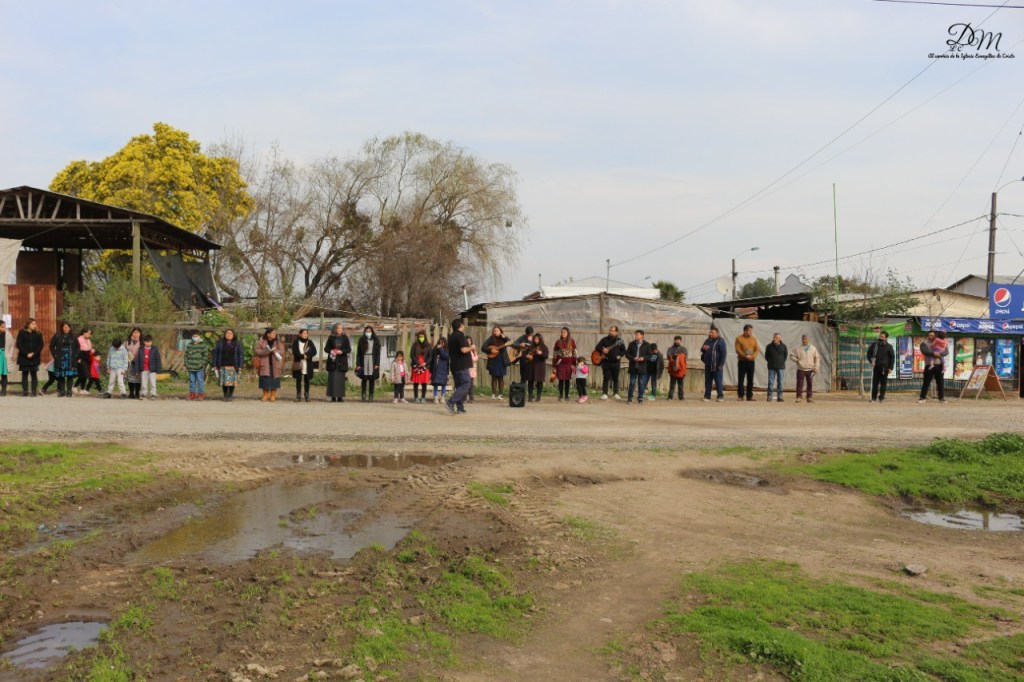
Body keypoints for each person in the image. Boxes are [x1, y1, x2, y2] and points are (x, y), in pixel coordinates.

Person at [445, 319, 474, 414]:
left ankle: (460, 407)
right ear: (461, 325)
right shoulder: (460, 335)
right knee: (466, 384)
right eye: (463, 325)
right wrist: (472, 348)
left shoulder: (451, 336)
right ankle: (450, 402)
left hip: (454, 365)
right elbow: (463, 350)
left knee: (459, 386)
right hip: (462, 365)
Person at [254, 327, 286, 402]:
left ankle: (273, 395)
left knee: (274, 380)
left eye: (275, 333)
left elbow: (282, 351)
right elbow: (257, 350)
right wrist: (264, 351)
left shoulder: (278, 342)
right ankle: (265, 394)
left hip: (275, 364)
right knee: (265, 380)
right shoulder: (262, 341)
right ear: (268, 334)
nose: (274, 334)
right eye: (273, 333)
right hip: (265, 364)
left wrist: (276, 351)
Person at [595, 325, 626, 400]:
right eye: (610, 330)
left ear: (616, 332)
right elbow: (597, 347)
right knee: (606, 378)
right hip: (606, 362)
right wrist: (603, 349)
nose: (611, 332)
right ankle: (605, 393)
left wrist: (620, 355)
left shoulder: (620, 341)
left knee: (615, 378)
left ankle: (616, 393)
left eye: (612, 331)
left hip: (616, 362)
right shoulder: (604, 339)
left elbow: (624, 350)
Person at [213, 328, 244, 402]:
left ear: (233, 335)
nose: (229, 335)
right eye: (227, 333)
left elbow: (240, 355)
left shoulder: (237, 343)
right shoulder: (220, 343)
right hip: (223, 366)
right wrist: (215, 365)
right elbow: (216, 354)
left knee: (231, 382)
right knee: (224, 382)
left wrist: (240, 366)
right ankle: (225, 395)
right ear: (225, 334)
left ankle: (230, 395)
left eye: (230, 333)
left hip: (233, 366)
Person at [16, 318, 44, 397]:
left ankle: (33, 391)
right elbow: (19, 344)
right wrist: (26, 353)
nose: (34, 325)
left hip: (34, 357)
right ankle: (25, 391)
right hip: (24, 357)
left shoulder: (38, 333)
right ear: (28, 325)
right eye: (32, 324)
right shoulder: (22, 332)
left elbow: (41, 345)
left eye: (35, 324)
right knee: (25, 374)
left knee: (34, 374)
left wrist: (34, 353)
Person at [918, 330, 948, 404]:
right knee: (926, 382)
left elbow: (946, 352)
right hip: (929, 365)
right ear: (927, 335)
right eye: (929, 335)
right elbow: (925, 352)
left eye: (932, 335)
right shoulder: (924, 343)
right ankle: (922, 397)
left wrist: (939, 354)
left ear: (935, 336)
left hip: (939, 365)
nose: (931, 337)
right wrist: (934, 354)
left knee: (940, 382)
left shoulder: (941, 341)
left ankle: (941, 398)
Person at [480, 326, 510, 400]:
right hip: (493, 360)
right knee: (494, 377)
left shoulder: (504, 339)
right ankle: (493, 394)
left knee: (501, 377)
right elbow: (483, 347)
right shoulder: (491, 339)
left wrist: (505, 337)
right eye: (494, 331)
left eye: (497, 330)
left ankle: (500, 394)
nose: (495, 332)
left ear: (500, 331)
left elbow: (510, 342)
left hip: (502, 360)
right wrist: (491, 350)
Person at [324, 324, 351, 403]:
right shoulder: (331, 337)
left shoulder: (345, 338)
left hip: (341, 361)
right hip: (333, 361)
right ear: (335, 329)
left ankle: (340, 397)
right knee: (332, 379)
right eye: (338, 328)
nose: (339, 330)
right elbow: (326, 349)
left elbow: (349, 349)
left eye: (341, 328)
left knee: (340, 380)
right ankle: (333, 397)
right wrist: (332, 351)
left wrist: (342, 351)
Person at [49, 321, 77, 398]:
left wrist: (75, 355)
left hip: (70, 359)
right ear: (62, 328)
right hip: (60, 358)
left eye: (67, 327)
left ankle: (69, 391)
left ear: (70, 328)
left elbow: (78, 347)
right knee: (61, 375)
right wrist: (55, 355)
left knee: (70, 375)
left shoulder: (73, 336)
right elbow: (51, 346)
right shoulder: (57, 335)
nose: (66, 329)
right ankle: (62, 391)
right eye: (65, 327)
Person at [790, 334, 820, 403]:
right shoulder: (798, 348)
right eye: (803, 339)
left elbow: (817, 358)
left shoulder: (813, 348)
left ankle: (809, 397)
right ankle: (799, 397)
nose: (804, 341)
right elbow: (791, 355)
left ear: (808, 340)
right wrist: (797, 360)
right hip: (801, 369)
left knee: (810, 384)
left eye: (806, 339)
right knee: (799, 384)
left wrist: (816, 367)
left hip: (810, 369)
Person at [867, 330, 895, 403]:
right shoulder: (874, 345)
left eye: (882, 336)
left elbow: (892, 357)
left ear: (886, 338)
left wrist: (890, 367)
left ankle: (881, 397)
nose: (881, 337)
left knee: (883, 384)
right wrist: (871, 361)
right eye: (880, 336)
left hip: (884, 368)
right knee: (875, 383)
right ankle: (873, 397)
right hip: (876, 367)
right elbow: (869, 354)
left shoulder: (889, 346)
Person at [624, 329, 652, 404]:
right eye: (635, 334)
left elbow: (650, 355)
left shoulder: (647, 345)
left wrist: (643, 358)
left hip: (642, 367)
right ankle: (630, 398)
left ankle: (640, 398)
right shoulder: (632, 344)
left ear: (642, 335)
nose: (635, 336)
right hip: (633, 367)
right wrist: (633, 358)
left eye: (637, 334)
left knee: (641, 383)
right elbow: (627, 354)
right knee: (632, 383)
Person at [734, 324, 760, 401]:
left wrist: (753, 356)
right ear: (745, 331)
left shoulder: (754, 339)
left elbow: (757, 349)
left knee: (750, 379)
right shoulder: (739, 338)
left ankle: (749, 396)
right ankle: (740, 395)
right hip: (742, 361)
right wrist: (745, 356)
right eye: (750, 330)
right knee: (741, 379)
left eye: (752, 330)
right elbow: (738, 350)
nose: (751, 332)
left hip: (751, 361)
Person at [700, 327, 727, 402]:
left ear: (717, 333)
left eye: (712, 332)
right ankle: (707, 396)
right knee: (708, 381)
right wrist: (703, 348)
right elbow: (701, 349)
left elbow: (723, 353)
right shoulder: (708, 340)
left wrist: (721, 365)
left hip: (717, 366)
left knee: (718, 381)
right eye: (710, 332)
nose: (710, 334)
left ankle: (720, 396)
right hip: (708, 365)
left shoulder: (721, 341)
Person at [355, 326, 381, 402]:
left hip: (372, 360)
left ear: (372, 332)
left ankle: (371, 395)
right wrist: (358, 364)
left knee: (372, 379)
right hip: (364, 360)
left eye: (369, 331)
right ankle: (363, 395)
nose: (368, 333)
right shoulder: (361, 340)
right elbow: (358, 353)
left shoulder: (376, 340)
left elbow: (378, 353)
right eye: (367, 331)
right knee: (364, 378)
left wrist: (377, 363)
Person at [291, 328, 317, 403]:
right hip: (298, 362)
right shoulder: (296, 342)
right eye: (304, 333)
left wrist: (307, 356)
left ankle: (307, 395)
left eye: (306, 333)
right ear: (300, 334)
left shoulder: (310, 342)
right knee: (298, 379)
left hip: (307, 363)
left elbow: (314, 351)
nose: (305, 335)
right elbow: (294, 352)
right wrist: (302, 356)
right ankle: (298, 395)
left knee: (307, 379)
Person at [134, 334, 163, 400]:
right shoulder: (141, 349)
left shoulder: (155, 349)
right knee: (144, 383)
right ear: (144, 342)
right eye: (146, 341)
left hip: (152, 370)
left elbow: (158, 360)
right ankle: (143, 394)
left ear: (152, 342)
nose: (148, 343)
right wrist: (136, 370)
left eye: (149, 342)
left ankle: (153, 394)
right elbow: (137, 360)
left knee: (153, 382)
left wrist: (159, 369)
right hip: (144, 369)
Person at [552, 327, 577, 402]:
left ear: (568, 333)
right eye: (562, 332)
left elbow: (574, 353)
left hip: (569, 364)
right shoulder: (558, 342)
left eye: (564, 332)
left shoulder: (572, 341)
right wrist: (554, 365)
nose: (563, 333)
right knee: (561, 380)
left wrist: (574, 364)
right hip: (560, 364)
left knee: (567, 380)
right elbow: (555, 354)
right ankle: (561, 395)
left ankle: (566, 395)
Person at [184, 330, 210, 401]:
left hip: (199, 368)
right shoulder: (189, 345)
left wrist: (202, 363)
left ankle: (200, 395)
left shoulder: (203, 345)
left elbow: (205, 355)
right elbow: (186, 355)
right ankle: (192, 395)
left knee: (200, 381)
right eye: (193, 336)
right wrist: (186, 363)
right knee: (192, 382)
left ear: (199, 336)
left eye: (196, 336)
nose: (195, 337)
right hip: (190, 367)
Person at [409, 330, 433, 404]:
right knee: (416, 383)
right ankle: (416, 397)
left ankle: (423, 397)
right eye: (419, 337)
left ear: (425, 337)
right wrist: (417, 362)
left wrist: (425, 363)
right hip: (416, 365)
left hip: (425, 366)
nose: (421, 338)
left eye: (422, 336)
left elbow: (430, 356)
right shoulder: (415, 345)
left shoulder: (429, 345)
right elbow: (411, 354)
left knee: (424, 383)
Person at [764, 333, 788, 402]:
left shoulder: (784, 346)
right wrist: (771, 362)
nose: (774, 339)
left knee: (780, 382)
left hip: (781, 367)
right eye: (774, 337)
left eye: (776, 338)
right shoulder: (769, 346)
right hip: (771, 367)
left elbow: (785, 356)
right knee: (771, 382)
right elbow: (766, 356)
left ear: (779, 339)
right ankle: (769, 396)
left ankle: (780, 397)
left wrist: (781, 362)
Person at [525, 332, 548, 402]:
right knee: (530, 381)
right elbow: (524, 354)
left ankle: (538, 396)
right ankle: (530, 396)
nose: (536, 340)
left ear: (540, 339)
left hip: (540, 366)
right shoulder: (530, 347)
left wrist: (541, 353)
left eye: (537, 339)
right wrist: (527, 356)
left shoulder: (543, 347)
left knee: (539, 381)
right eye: (535, 338)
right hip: (531, 366)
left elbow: (546, 356)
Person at [666, 336, 688, 400]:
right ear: (674, 340)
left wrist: (678, 357)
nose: (677, 341)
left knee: (680, 384)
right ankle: (670, 397)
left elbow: (685, 358)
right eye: (676, 340)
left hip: (681, 369)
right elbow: (668, 356)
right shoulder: (670, 349)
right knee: (672, 384)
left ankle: (681, 397)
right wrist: (674, 358)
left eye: (678, 340)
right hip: (673, 368)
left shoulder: (684, 349)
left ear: (681, 341)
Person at [73, 327, 94, 394]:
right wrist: (77, 358)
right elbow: (76, 350)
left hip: (87, 358)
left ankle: (82, 389)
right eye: (88, 333)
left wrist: (92, 350)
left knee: (85, 375)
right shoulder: (79, 339)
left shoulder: (88, 340)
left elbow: (89, 348)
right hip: (81, 358)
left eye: (90, 334)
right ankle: (75, 386)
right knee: (84, 374)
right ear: (84, 333)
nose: (89, 335)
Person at [124, 327, 143, 400]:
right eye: (134, 332)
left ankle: (137, 393)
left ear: (140, 334)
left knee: (138, 378)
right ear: (132, 333)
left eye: (137, 333)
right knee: (130, 378)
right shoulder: (127, 342)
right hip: (129, 362)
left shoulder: (142, 342)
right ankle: (131, 393)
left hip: (139, 362)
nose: (136, 334)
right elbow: (122, 350)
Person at [430, 337, 450, 403]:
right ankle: (435, 397)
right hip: (435, 369)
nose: (441, 344)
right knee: (435, 384)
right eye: (440, 342)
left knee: (443, 384)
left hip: (443, 370)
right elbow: (432, 359)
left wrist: (441, 349)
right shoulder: (434, 350)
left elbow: (445, 356)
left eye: (442, 342)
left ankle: (442, 397)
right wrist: (431, 370)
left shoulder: (446, 350)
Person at [0, 319, 13, 397]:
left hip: (4, 355)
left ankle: (3, 390)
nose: (4, 328)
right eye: (2, 327)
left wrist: (10, 355)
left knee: (4, 374)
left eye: (4, 326)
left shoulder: (8, 334)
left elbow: (11, 346)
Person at [466, 336, 479, 403]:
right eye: (467, 341)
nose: (469, 342)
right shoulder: (466, 349)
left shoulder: (473, 350)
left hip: (472, 368)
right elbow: (471, 358)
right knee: (466, 383)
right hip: (467, 368)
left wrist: (475, 358)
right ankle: (464, 398)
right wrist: (474, 358)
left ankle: (471, 397)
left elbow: (476, 358)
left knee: (471, 384)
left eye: (470, 341)